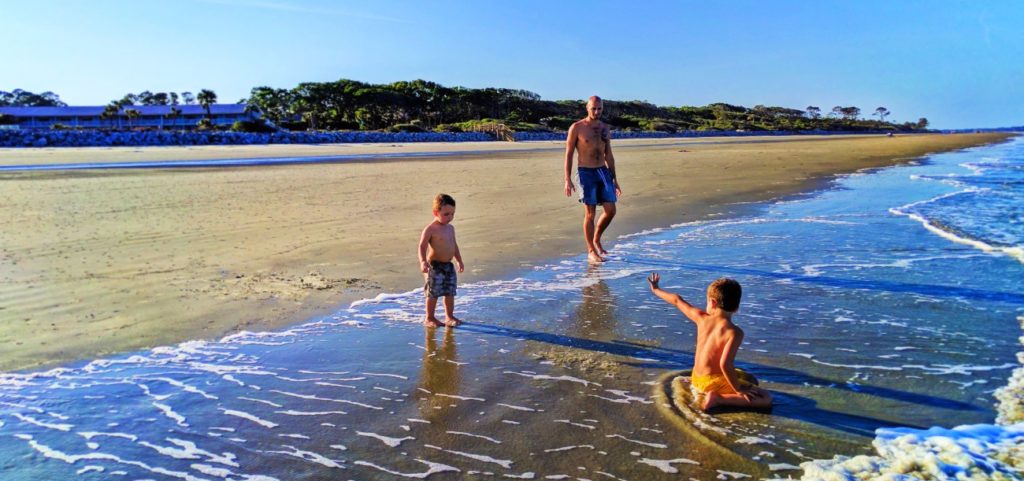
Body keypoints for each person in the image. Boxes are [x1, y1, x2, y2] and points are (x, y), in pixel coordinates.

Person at [647, 272, 773, 412]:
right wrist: (738, 389)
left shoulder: (701, 318)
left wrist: (656, 289)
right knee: (765, 398)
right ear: (737, 308)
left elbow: (677, 300)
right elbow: (725, 365)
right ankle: (718, 399)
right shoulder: (734, 332)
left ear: (712, 302)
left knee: (744, 376)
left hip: (696, 378)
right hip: (710, 384)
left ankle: (711, 390)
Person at [564, 95, 621, 263]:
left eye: (599, 109)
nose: (596, 112)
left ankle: (596, 239)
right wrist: (567, 179)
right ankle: (591, 251)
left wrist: (614, 179)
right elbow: (568, 154)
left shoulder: (605, 128)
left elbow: (608, 154)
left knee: (611, 210)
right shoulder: (577, 127)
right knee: (590, 213)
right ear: (587, 108)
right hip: (586, 172)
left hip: (602, 171)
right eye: (593, 109)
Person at [418, 194, 465, 327]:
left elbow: (454, 245)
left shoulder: (450, 228)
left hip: (448, 265)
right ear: (435, 212)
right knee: (433, 292)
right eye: (446, 214)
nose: (450, 217)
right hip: (434, 266)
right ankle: (429, 318)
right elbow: (422, 246)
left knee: (450, 292)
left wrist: (459, 260)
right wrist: (423, 261)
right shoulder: (430, 229)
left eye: (452, 214)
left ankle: (449, 316)